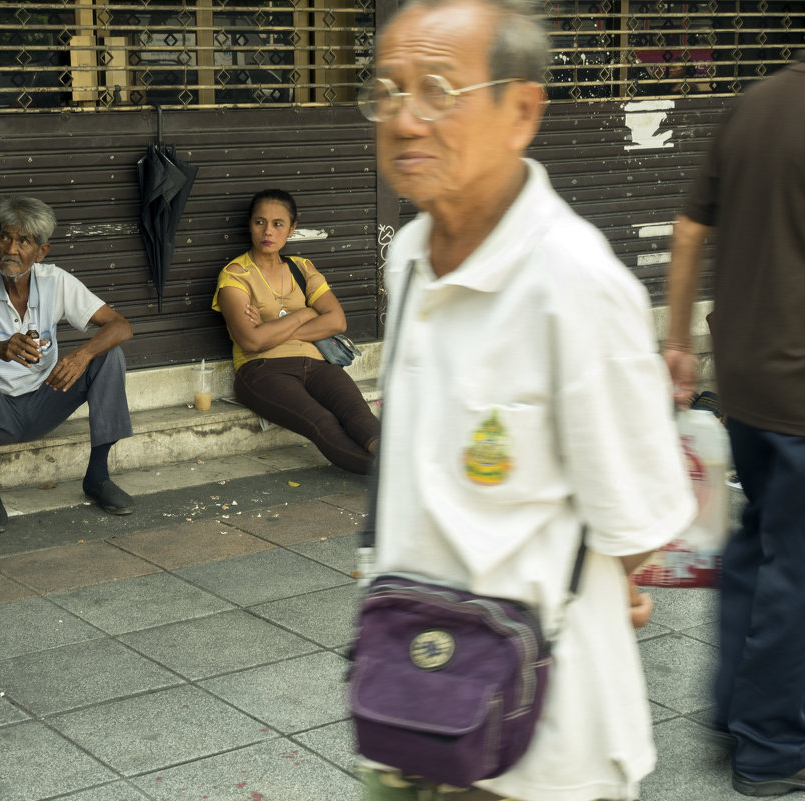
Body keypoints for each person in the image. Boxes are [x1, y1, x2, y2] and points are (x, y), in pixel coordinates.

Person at [359, 2, 695, 800]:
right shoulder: (409, 255)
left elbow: (644, 519)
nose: (406, 118)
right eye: (388, 88)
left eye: (440, 89)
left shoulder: (574, 285)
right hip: (406, 706)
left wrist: (594, 582)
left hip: (541, 745)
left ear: (521, 110)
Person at [664, 50, 805, 798]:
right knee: (797, 567)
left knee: (757, 543)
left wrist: (678, 342)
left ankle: (732, 705)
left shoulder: (757, 102)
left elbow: (689, 229)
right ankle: (773, 746)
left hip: (745, 373)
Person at [0, 197, 135, 533]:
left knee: (108, 354)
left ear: (41, 252)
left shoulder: (56, 281)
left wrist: (81, 355)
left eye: (24, 241)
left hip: (44, 401)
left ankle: (98, 476)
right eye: (5, 237)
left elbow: (120, 326)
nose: (11, 248)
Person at [212, 189, 379, 474]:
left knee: (358, 414)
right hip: (262, 370)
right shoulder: (235, 275)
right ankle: (393, 477)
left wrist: (271, 331)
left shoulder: (302, 268)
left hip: (317, 364)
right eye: (259, 222)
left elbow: (337, 321)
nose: (268, 231)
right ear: (249, 225)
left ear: (292, 228)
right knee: (322, 422)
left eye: (278, 224)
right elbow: (252, 341)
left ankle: (399, 466)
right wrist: (304, 313)